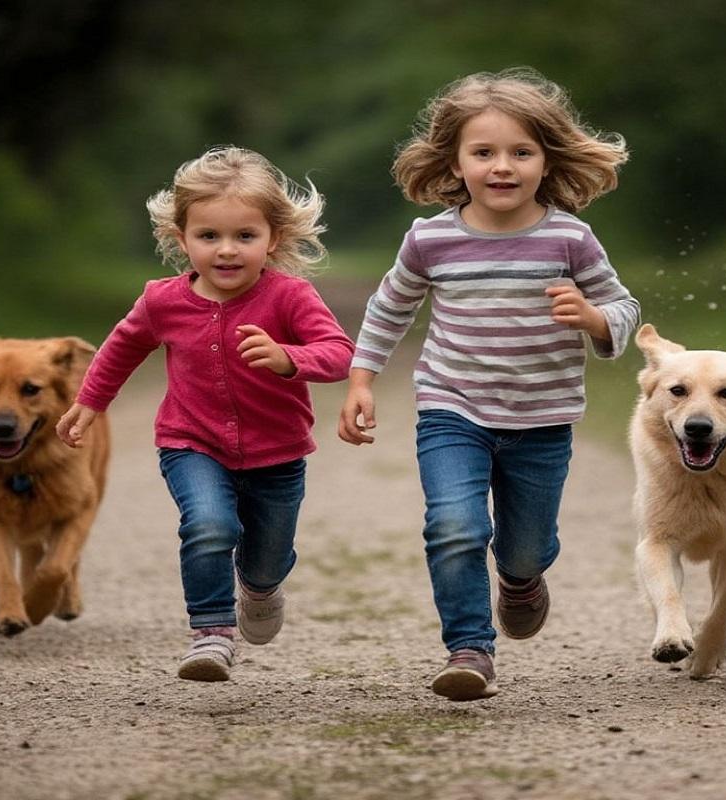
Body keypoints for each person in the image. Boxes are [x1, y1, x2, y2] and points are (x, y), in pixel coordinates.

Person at [338, 68, 640, 701]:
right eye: (484, 153)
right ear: (455, 160)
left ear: (545, 160)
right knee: (453, 525)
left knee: (526, 548)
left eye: (520, 152)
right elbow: (390, 308)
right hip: (453, 407)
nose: (502, 167)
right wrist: (362, 379)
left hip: (542, 416)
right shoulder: (430, 239)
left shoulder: (569, 237)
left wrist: (592, 319)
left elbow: (622, 306)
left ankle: (522, 580)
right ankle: (469, 649)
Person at [58, 146, 355, 681]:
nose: (227, 251)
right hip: (190, 442)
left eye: (245, 236)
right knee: (209, 524)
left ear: (274, 239)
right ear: (181, 239)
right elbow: (120, 348)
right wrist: (89, 402)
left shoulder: (290, 297)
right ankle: (211, 634)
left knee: (267, 557)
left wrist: (290, 358)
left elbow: (339, 354)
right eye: (209, 236)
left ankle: (260, 588)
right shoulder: (161, 302)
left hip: (278, 452)